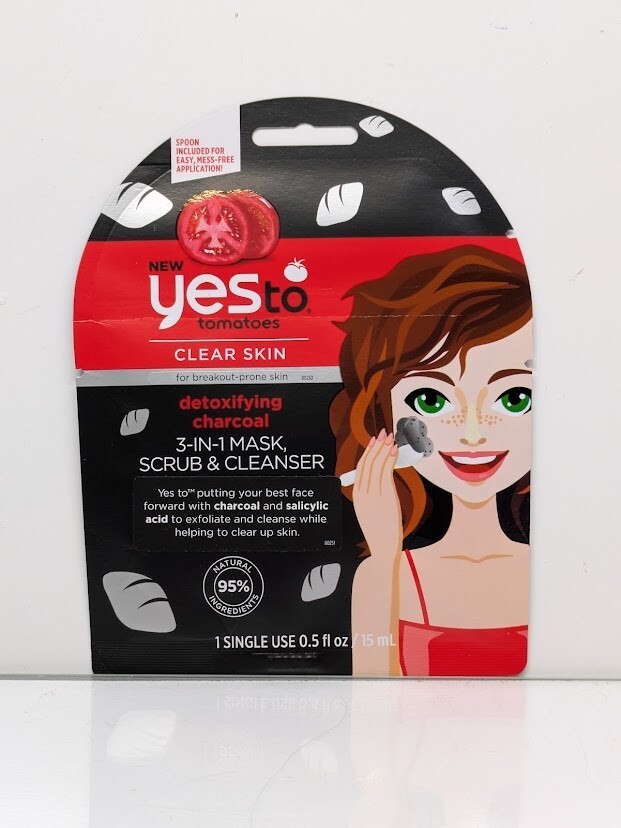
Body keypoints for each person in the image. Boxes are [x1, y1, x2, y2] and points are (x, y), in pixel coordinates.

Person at [330, 245, 532, 676]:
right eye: (430, 400)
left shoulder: (561, 568)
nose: (473, 433)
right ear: (383, 412)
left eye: (515, 398)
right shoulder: (386, 573)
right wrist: (384, 554)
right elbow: (370, 700)